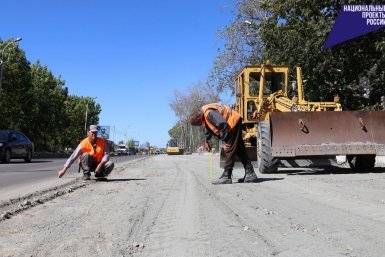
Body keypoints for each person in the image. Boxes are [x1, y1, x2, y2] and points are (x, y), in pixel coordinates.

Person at [189, 103, 258, 184]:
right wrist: (207, 140)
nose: (201, 124)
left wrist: (225, 141)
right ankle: (250, 173)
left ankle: (226, 176)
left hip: (232, 123)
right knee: (240, 149)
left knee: (229, 149)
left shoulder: (209, 113)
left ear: (199, 118)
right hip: (233, 122)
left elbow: (222, 124)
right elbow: (209, 127)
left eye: (199, 123)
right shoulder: (205, 114)